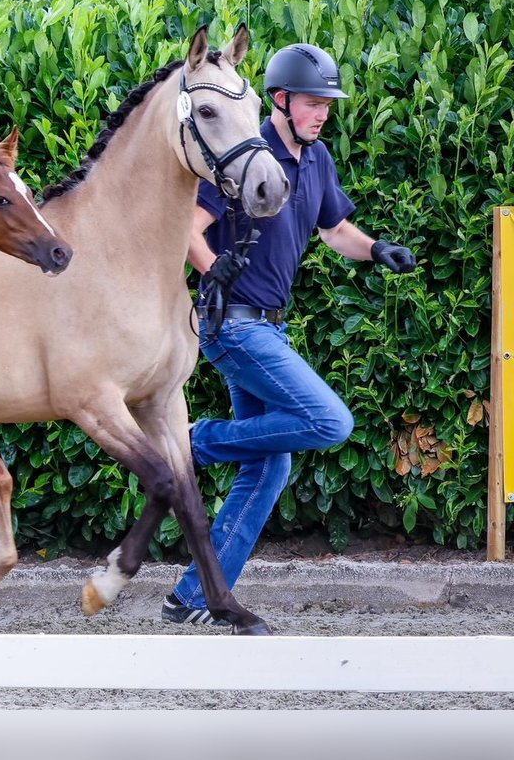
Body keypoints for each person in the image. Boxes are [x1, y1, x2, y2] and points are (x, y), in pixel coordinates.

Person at [162, 43, 417, 625]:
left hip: (270, 329)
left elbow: (335, 230)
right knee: (331, 421)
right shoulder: (246, 153)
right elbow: (188, 230)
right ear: (280, 100)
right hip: (233, 323)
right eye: (312, 102)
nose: (322, 112)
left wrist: (375, 249)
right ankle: (193, 442)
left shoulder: (317, 159)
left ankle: (193, 598)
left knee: (270, 465)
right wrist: (211, 271)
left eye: (327, 103)